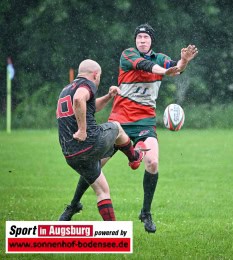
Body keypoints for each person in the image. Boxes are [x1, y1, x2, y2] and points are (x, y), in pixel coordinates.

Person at [58, 24, 198, 233]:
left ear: (151, 41)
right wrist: (168, 71)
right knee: (95, 165)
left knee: (153, 162)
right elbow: (147, 67)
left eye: (146, 37)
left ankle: (146, 213)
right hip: (120, 120)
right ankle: (73, 205)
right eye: (139, 37)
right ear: (135, 41)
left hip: (145, 122)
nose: (142, 40)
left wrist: (183, 62)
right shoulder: (128, 55)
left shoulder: (160, 58)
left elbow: (175, 67)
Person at [57, 59, 145, 221]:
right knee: (117, 127)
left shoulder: (66, 89)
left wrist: (109, 96)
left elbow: (89, 106)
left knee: (103, 191)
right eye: (100, 77)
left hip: (70, 154)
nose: (99, 80)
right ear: (95, 75)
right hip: (88, 142)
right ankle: (134, 158)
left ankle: (112, 236)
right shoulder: (86, 85)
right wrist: (83, 130)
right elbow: (79, 99)